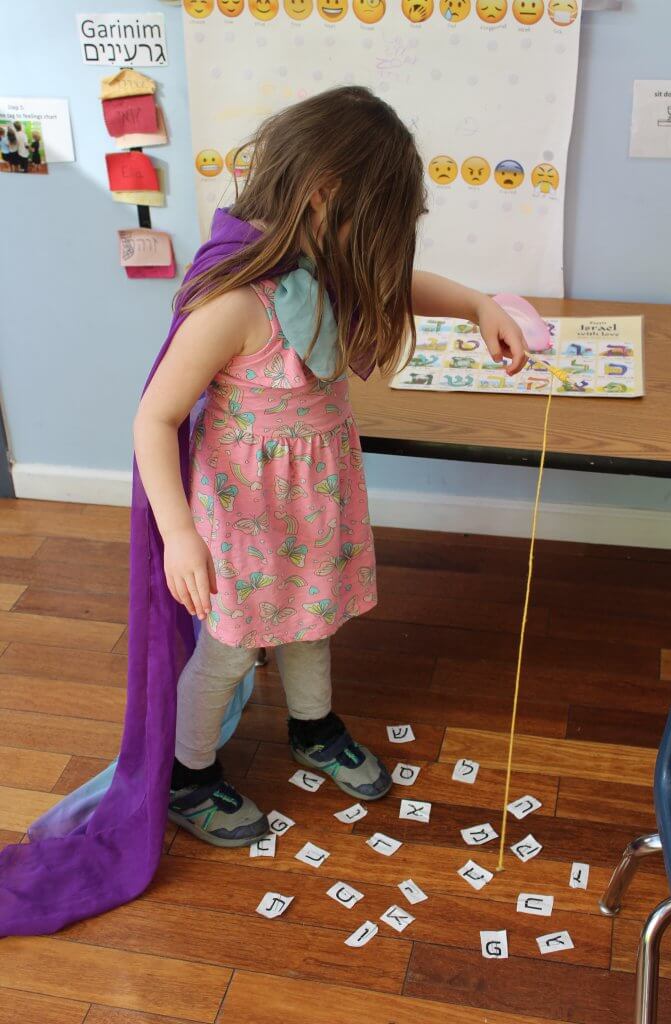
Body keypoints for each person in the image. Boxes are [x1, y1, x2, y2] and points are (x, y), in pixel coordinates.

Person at [133, 86, 528, 848]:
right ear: (324, 197)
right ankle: (191, 776)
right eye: (376, 223)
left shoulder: (328, 260)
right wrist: (179, 534)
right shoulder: (234, 303)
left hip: (315, 498)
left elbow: (404, 284)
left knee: (311, 618)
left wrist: (480, 304)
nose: (384, 249)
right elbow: (155, 417)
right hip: (244, 510)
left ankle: (313, 729)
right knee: (233, 644)